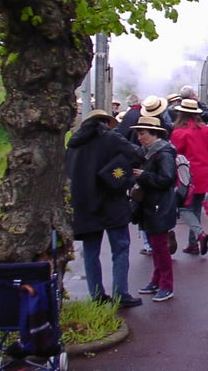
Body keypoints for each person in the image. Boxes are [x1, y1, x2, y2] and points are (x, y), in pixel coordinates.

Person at [65, 109, 145, 308]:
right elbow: (137, 154)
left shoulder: (73, 145)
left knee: (91, 252)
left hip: (84, 206)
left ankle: (97, 295)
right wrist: (120, 170)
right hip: (112, 202)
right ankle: (120, 293)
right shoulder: (111, 139)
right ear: (105, 123)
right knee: (120, 248)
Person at [131, 116, 179, 303]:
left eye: (142, 133)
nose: (139, 137)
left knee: (160, 246)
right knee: (156, 245)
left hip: (159, 204)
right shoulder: (154, 151)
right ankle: (157, 280)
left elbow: (166, 179)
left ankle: (166, 285)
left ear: (153, 134)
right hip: (154, 204)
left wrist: (144, 176)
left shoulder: (162, 153)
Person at [169, 99, 208, 256]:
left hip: (188, 176)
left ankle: (200, 234)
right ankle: (193, 244)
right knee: (195, 208)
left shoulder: (179, 132)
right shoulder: (204, 129)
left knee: (184, 208)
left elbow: (175, 156)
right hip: (204, 172)